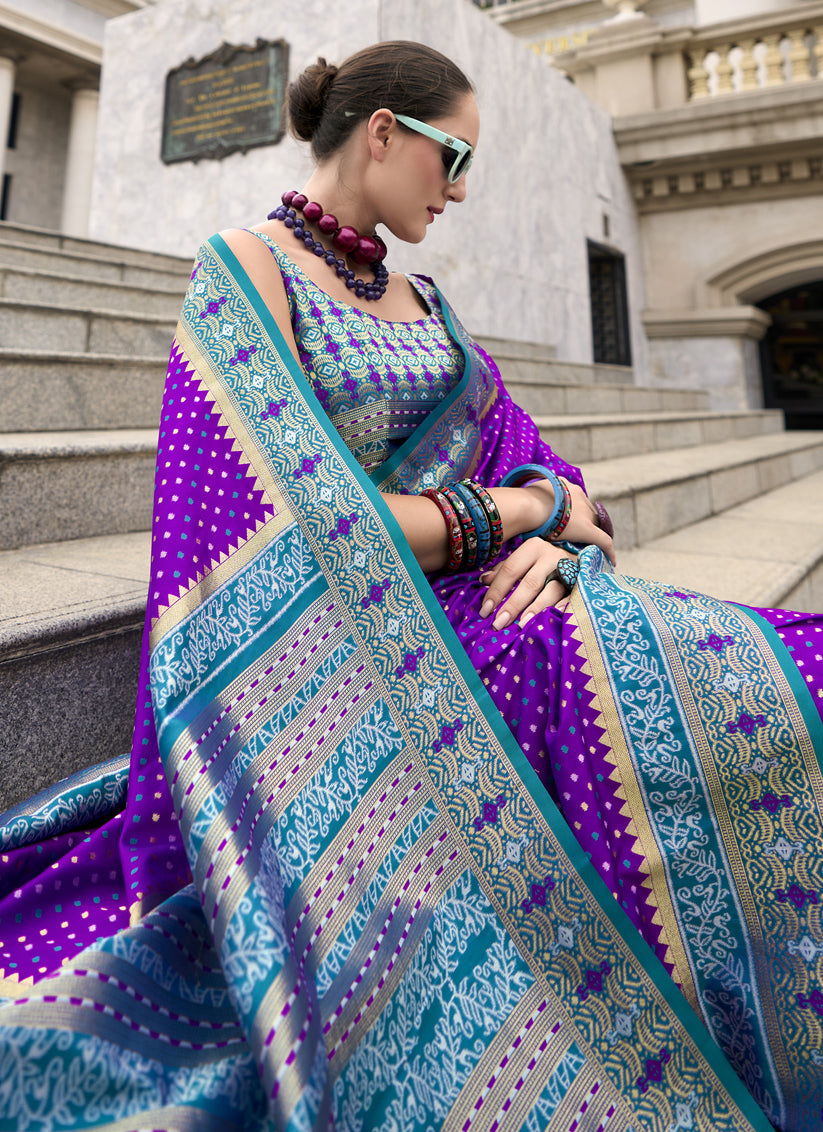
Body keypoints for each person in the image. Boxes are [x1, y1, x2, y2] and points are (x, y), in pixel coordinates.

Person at [0, 40, 820, 1132]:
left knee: (781, 671)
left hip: (510, 607)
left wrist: (557, 533)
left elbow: (561, 484)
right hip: (356, 660)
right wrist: (515, 515)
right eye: (453, 158)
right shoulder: (244, 271)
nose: (461, 190)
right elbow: (311, 523)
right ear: (382, 131)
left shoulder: (425, 300)